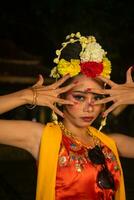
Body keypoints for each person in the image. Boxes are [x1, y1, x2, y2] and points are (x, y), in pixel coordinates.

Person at [0, 32, 133, 200]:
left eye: (98, 98)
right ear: (61, 98)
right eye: (80, 97)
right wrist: (25, 95)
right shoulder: (41, 137)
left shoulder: (111, 144)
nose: (90, 106)